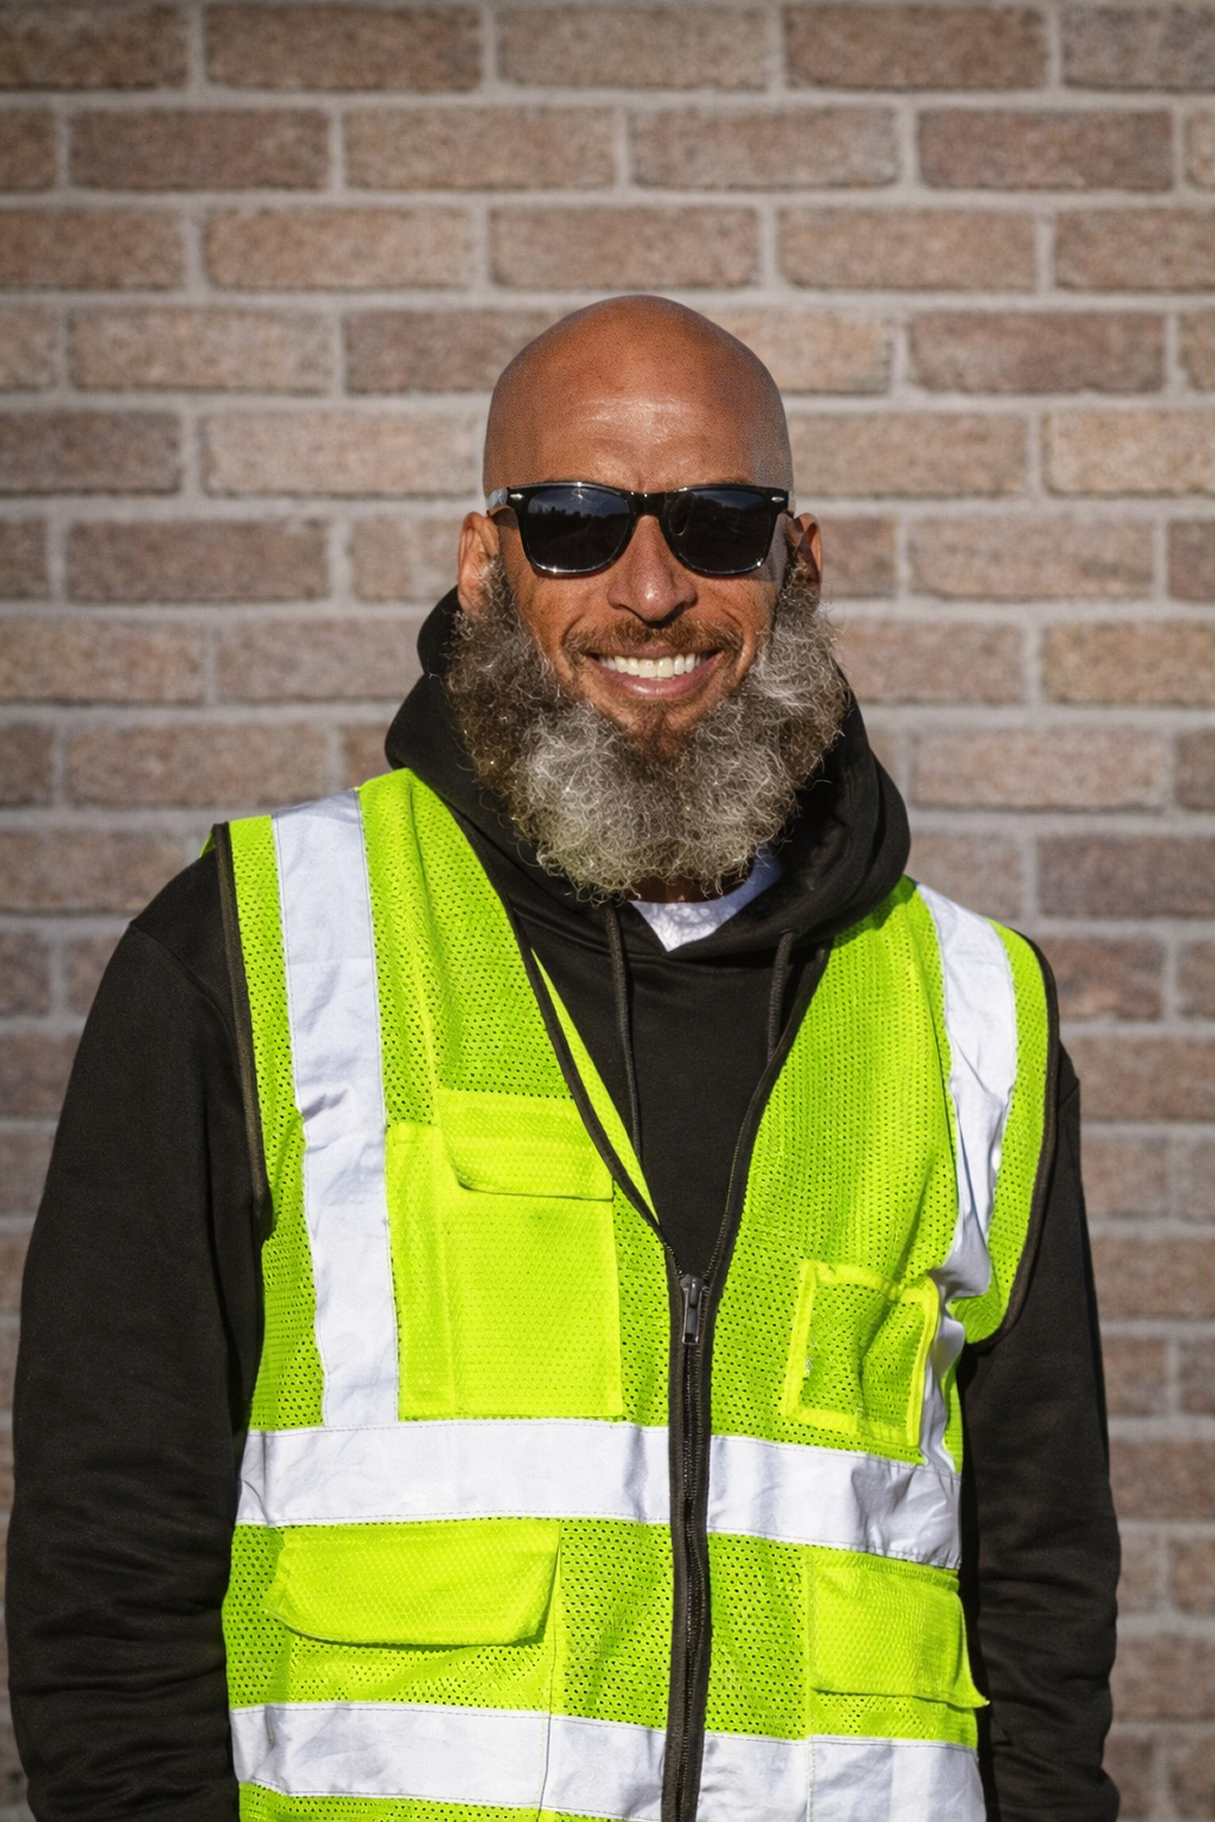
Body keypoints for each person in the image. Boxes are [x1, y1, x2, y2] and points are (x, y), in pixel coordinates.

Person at [8, 296, 1118, 1822]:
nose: (650, 588)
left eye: (717, 522)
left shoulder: (971, 1003)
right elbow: (106, 1554)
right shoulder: (255, 948)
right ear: (485, 563)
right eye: (576, 523)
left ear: (797, 561)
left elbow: (1040, 1576)